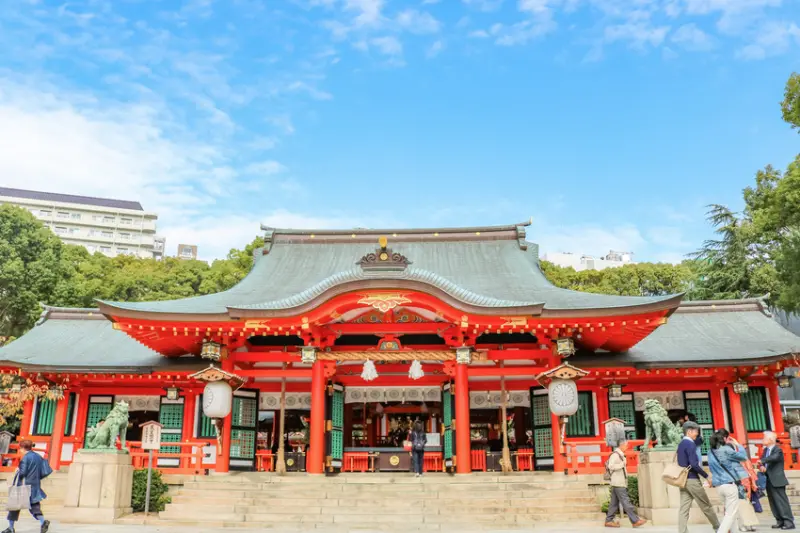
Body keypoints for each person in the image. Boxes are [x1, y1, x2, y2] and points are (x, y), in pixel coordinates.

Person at [677, 421, 720, 533]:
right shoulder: (690, 444)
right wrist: (706, 476)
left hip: (682, 480)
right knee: (706, 505)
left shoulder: (681, 444)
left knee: (683, 509)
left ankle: (682, 531)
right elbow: (694, 464)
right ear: (689, 431)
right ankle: (718, 527)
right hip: (692, 479)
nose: (697, 434)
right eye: (696, 431)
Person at [3, 440, 51, 533]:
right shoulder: (38, 456)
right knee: (35, 507)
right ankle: (43, 521)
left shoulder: (25, 458)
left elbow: (23, 472)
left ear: (22, 448)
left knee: (14, 507)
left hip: (23, 485)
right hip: (34, 484)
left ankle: (11, 528)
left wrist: (18, 470)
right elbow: (45, 469)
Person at [708, 429, 749, 533]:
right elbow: (744, 457)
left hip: (718, 486)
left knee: (731, 512)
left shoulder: (710, 452)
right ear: (725, 438)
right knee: (730, 513)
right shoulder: (726, 449)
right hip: (729, 485)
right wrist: (738, 445)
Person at [603, 439, 647, 528]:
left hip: (618, 482)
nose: (627, 447)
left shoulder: (620, 454)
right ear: (622, 445)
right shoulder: (615, 455)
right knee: (625, 501)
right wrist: (622, 464)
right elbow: (610, 466)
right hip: (618, 482)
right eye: (626, 445)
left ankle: (609, 520)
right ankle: (635, 520)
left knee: (614, 503)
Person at [759, 431, 795, 530]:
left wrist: (762, 461)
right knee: (773, 501)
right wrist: (761, 466)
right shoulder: (765, 450)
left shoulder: (777, 450)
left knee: (781, 501)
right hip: (768, 478)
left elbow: (774, 458)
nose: (762, 440)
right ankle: (779, 520)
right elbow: (762, 460)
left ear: (770, 440)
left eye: (764, 438)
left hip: (777, 479)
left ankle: (788, 522)